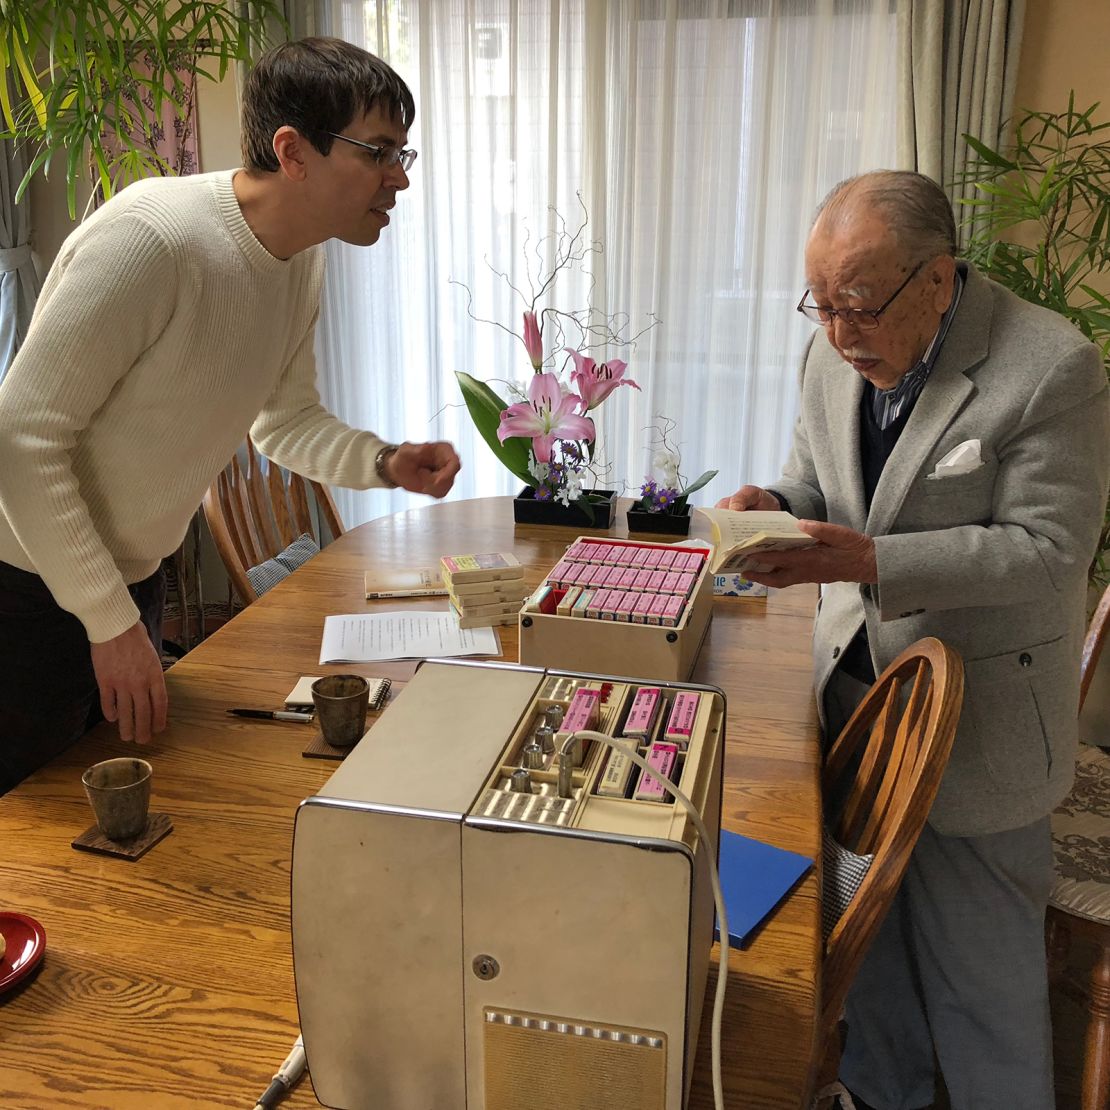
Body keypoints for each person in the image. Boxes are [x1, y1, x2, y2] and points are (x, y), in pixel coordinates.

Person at [717, 170, 1109, 1110]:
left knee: (987, 989)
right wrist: (774, 512)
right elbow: (818, 491)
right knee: (868, 953)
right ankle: (875, 1094)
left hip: (983, 724)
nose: (840, 334)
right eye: (820, 306)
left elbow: (1051, 554)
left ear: (937, 280)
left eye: (859, 305)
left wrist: (872, 559)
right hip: (853, 696)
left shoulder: (1050, 366)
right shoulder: (832, 355)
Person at [0, 37, 461, 794]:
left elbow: (285, 423)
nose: (399, 178)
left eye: (404, 155)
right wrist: (107, 621)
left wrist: (384, 461)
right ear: (293, 151)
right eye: (379, 152)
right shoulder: (154, 238)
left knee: (136, 826)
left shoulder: (299, 257)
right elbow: (20, 436)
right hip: (24, 594)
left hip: (125, 586)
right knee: (28, 841)